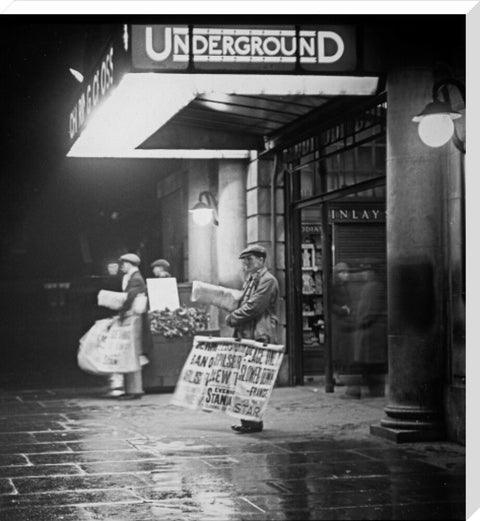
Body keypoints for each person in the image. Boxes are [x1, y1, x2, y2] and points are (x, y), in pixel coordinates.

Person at [225, 245, 279, 434]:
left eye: (250, 260)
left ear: (262, 261)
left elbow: (255, 307)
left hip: (259, 335)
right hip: (247, 333)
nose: (246, 263)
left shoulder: (268, 280)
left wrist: (233, 317)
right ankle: (248, 421)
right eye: (244, 260)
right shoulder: (251, 279)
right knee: (245, 380)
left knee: (253, 380)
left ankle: (253, 422)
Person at [117, 253, 149, 400]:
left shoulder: (135, 279)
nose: (121, 266)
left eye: (123, 264)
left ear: (130, 264)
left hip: (133, 318)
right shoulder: (131, 277)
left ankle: (135, 390)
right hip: (131, 317)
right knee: (129, 353)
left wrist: (120, 312)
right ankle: (130, 389)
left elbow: (129, 298)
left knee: (133, 353)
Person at [352, 263, 387, 397]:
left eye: (367, 271)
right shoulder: (370, 286)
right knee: (369, 363)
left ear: (373, 273)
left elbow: (372, 308)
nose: (365, 274)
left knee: (372, 363)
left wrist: (363, 322)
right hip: (368, 330)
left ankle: (375, 390)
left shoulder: (375, 287)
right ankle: (373, 389)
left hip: (371, 331)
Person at [331, 262, 353, 386]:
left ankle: (337, 373)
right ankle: (335, 374)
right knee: (336, 348)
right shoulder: (334, 286)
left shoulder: (345, 286)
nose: (346, 275)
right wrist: (343, 310)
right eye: (343, 272)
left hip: (343, 321)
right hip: (336, 321)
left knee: (341, 348)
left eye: (346, 272)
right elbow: (330, 303)